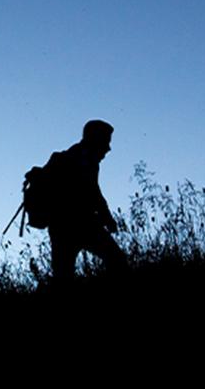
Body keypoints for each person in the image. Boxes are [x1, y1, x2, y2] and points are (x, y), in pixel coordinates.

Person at [43, 120, 129, 287]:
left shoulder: (81, 158)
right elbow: (92, 192)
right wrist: (107, 218)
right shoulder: (82, 160)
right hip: (79, 225)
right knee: (117, 261)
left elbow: (93, 192)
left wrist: (106, 217)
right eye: (106, 141)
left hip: (63, 226)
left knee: (63, 277)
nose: (108, 148)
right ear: (95, 139)